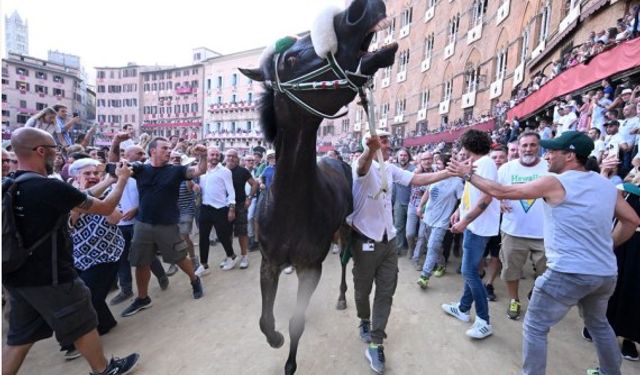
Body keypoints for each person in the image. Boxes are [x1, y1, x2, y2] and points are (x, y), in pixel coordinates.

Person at [447, 130, 640, 375]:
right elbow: (631, 221)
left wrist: (467, 174)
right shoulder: (605, 184)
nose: (546, 156)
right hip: (604, 273)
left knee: (536, 326)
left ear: (570, 156)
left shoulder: (556, 181)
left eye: (552, 151)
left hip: (567, 272)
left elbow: (503, 192)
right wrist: (607, 247)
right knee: (600, 324)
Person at [2, 127, 139, 375]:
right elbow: (107, 207)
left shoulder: (9, 185)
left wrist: (108, 178)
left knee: (19, 339)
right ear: (40, 151)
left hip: (16, 275)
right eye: (55, 150)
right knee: (83, 321)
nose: (58, 156)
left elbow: (79, 198)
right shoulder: (49, 187)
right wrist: (122, 180)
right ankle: (104, 370)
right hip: (52, 275)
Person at [346, 130, 453, 374]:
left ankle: (376, 342)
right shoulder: (361, 165)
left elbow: (418, 180)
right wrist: (369, 149)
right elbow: (362, 167)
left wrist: (449, 172)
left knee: (386, 292)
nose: (387, 143)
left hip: (389, 242)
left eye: (386, 140)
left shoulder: (391, 169)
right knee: (362, 292)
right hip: (365, 242)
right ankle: (364, 319)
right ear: (369, 143)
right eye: (381, 140)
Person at [118, 137, 207, 317]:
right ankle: (143, 298)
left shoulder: (176, 171)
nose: (169, 150)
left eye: (169, 148)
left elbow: (199, 170)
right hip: (143, 224)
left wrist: (203, 155)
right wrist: (118, 150)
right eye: (164, 148)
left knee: (180, 257)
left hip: (167, 225)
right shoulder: (140, 169)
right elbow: (119, 168)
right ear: (153, 151)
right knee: (141, 262)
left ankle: (195, 280)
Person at [441, 130, 500, 340]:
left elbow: (486, 198)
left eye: (461, 146)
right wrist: (459, 212)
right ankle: (464, 309)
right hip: (473, 226)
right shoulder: (476, 165)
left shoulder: (486, 164)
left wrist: (465, 222)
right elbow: (470, 193)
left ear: (468, 146)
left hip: (477, 228)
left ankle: (484, 321)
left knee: (469, 273)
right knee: (471, 270)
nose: (460, 151)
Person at [497, 133, 549, 320]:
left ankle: (536, 295)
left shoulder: (549, 168)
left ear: (539, 147)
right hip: (513, 231)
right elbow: (494, 191)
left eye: (532, 145)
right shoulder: (506, 169)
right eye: (524, 145)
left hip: (544, 233)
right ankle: (514, 300)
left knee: (547, 273)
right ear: (518, 148)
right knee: (511, 269)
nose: (528, 149)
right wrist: (499, 201)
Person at [109, 144, 169, 305]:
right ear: (127, 156)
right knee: (122, 258)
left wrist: (136, 209)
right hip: (120, 224)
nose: (143, 156)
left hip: (140, 221)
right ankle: (126, 290)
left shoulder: (146, 173)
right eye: (139, 153)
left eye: (144, 153)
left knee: (146, 255)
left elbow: (152, 198)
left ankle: (161, 276)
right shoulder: (116, 173)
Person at [416, 153, 463, 288]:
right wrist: (420, 207)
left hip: (442, 221)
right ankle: (441, 264)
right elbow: (427, 192)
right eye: (436, 163)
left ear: (447, 165)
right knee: (433, 246)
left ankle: (424, 276)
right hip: (428, 218)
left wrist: (457, 212)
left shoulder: (457, 182)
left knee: (432, 247)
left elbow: (463, 200)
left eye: (439, 163)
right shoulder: (434, 177)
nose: (436, 166)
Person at [196, 146, 236, 275]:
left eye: (217, 155)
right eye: (212, 154)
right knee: (203, 237)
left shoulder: (225, 171)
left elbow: (231, 191)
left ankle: (231, 256)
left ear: (219, 157)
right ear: (207, 156)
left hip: (220, 209)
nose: (214, 157)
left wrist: (231, 208)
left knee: (223, 236)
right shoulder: (201, 171)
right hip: (205, 208)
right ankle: (204, 265)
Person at [224, 148, 258, 270]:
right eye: (229, 156)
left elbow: (254, 184)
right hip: (224, 206)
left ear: (237, 159)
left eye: (234, 156)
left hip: (240, 205)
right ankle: (230, 256)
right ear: (225, 157)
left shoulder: (242, 171)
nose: (231, 158)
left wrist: (249, 198)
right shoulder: (221, 171)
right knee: (226, 233)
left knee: (242, 232)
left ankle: (244, 256)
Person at [392, 148, 415, 255]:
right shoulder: (394, 168)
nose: (403, 157)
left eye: (405, 155)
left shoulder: (414, 169)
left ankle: (411, 248)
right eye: (401, 155)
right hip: (398, 202)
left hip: (412, 202)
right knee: (398, 226)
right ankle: (398, 248)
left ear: (408, 157)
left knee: (411, 229)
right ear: (397, 157)